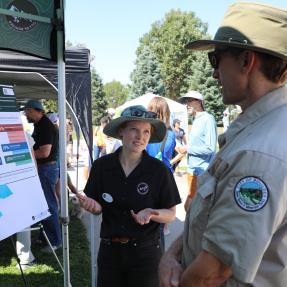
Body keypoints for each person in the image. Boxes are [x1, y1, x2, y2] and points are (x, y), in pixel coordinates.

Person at [159, 2, 287, 287]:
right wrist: (173, 253)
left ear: (246, 61)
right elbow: (212, 226)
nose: (215, 74)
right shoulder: (257, 131)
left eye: (215, 60)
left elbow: (212, 273)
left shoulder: (259, 152)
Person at [78, 105, 181, 287]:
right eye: (134, 129)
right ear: (121, 131)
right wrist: (94, 207)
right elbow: (97, 206)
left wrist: (152, 213)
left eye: (146, 132)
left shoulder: (159, 171)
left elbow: (171, 214)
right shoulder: (102, 167)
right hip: (110, 253)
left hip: (146, 254)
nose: (140, 137)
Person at [22, 100, 61, 253]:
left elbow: (44, 152)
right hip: (46, 168)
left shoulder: (45, 126)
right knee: (43, 204)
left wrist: (27, 156)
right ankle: (44, 237)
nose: (25, 114)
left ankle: (55, 242)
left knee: (48, 205)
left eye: (27, 111)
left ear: (36, 110)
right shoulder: (41, 124)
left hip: (46, 169)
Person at [178, 90, 217, 210]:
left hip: (201, 172)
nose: (187, 104)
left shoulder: (208, 119)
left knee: (190, 207)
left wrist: (188, 149)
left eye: (189, 100)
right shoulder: (196, 120)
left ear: (199, 102)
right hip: (193, 170)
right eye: (185, 101)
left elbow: (210, 148)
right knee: (192, 208)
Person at [146, 96, 176, 173]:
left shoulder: (144, 132)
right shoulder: (171, 134)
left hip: (147, 174)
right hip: (166, 174)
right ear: (166, 112)